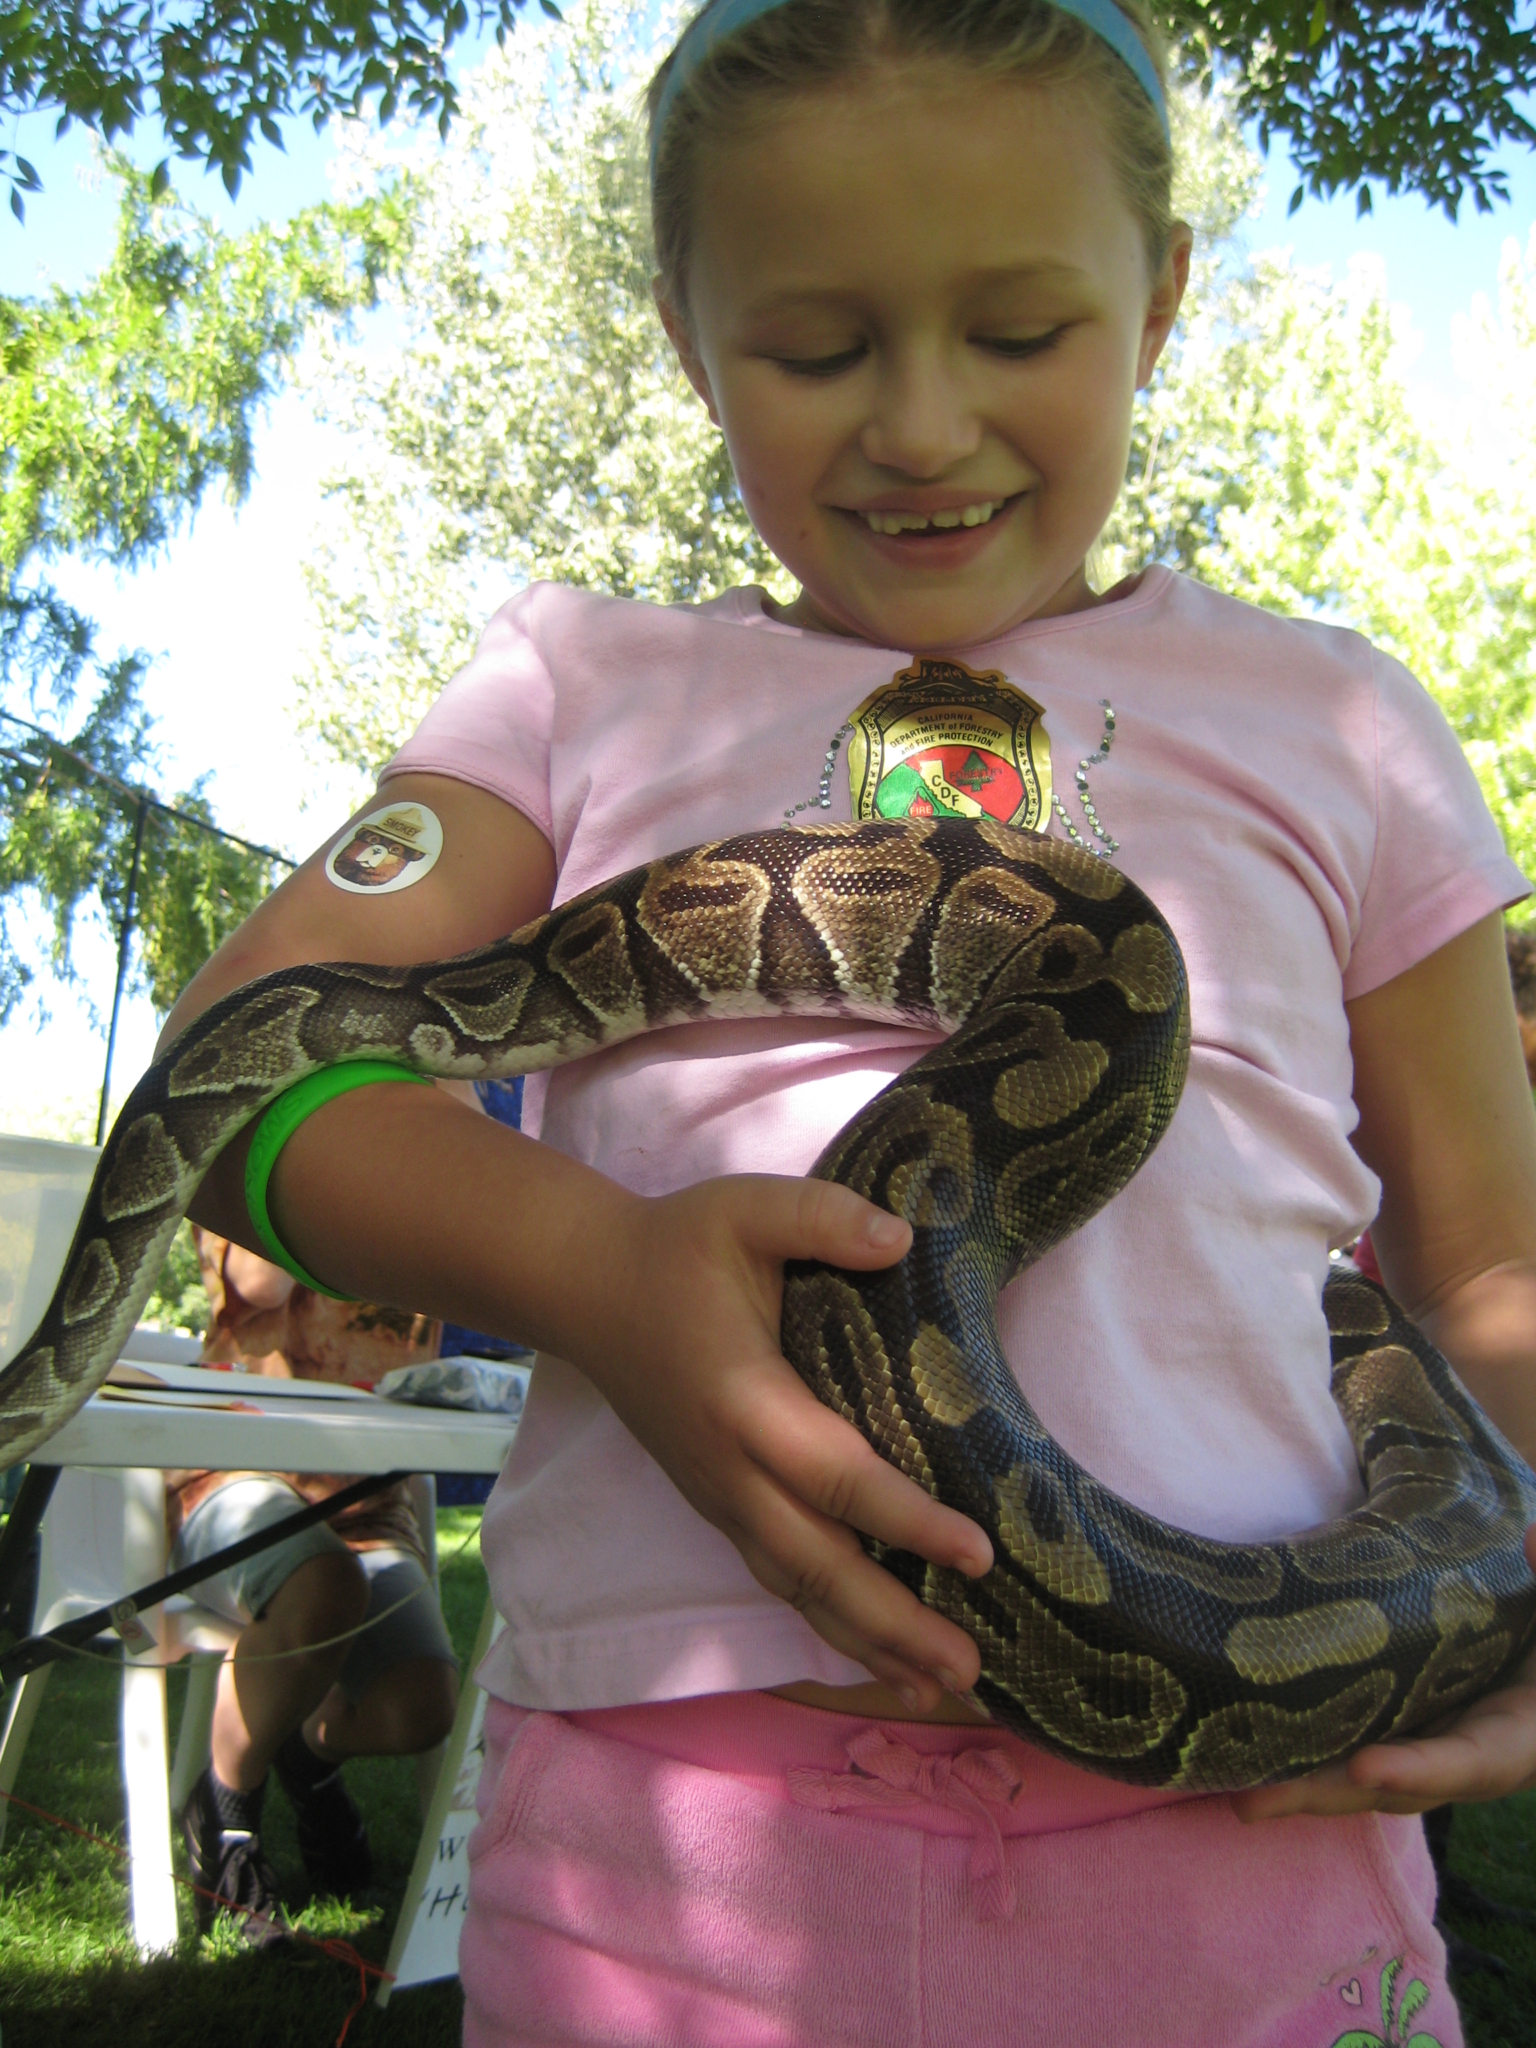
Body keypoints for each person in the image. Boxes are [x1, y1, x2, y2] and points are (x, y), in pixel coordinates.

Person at [155, 0, 1536, 2037]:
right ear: (684, 321)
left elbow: (1491, 1253)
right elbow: (244, 1055)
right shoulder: (574, 688)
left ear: (1158, 298)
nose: (917, 422)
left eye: (1019, 332)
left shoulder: (1337, 718)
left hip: (1254, 1878)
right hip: (672, 1867)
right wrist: (599, 1268)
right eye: (815, 347)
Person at [171, 1230, 460, 1944]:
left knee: (421, 1709)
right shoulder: (269, 1129)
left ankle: (306, 1757)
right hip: (236, 1470)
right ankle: (226, 1819)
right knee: (322, 1584)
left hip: (365, 1503)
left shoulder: (436, 1160)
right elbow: (262, 1286)